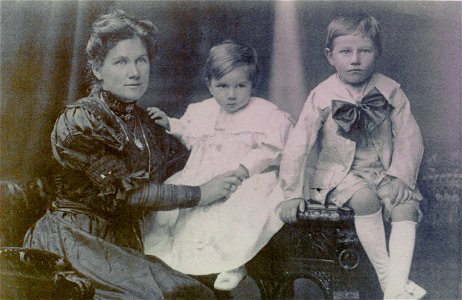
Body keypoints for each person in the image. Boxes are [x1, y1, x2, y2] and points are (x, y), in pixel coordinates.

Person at [23, 10, 243, 299]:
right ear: (98, 70)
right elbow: (128, 195)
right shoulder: (80, 121)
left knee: (201, 290)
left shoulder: (147, 124)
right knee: (170, 294)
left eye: (141, 60)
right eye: (121, 61)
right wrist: (202, 192)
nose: (135, 72)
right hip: (73, 241)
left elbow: (188, 164)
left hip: (124, 243)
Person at [277, 15, 427, 299]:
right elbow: (300, 143)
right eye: (346, 52)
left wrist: (399, 177)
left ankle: (393, 288)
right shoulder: (322, 95)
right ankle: (391, 283)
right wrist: (291, 192)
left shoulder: (391, 90)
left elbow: (409, 137)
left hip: (384, 171)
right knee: (365, 199)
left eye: (364, 51)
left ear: (377, 53)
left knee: (405, 207)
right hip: (340, 175)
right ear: (330, 56)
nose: (355, 59)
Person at [144, 40, 293, 291]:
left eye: (240, 86)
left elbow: (273, 149)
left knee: (239, 210)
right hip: (204, 176)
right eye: (222, 86)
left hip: (245, 178)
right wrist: (170, 124)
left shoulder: (266, 113)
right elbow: (189, 133)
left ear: (252, 84)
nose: (231, 94)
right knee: (184, 212)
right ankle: (183, 264)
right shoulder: (202, 110)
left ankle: (234, 262)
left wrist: (244, 169)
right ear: (209, 84)